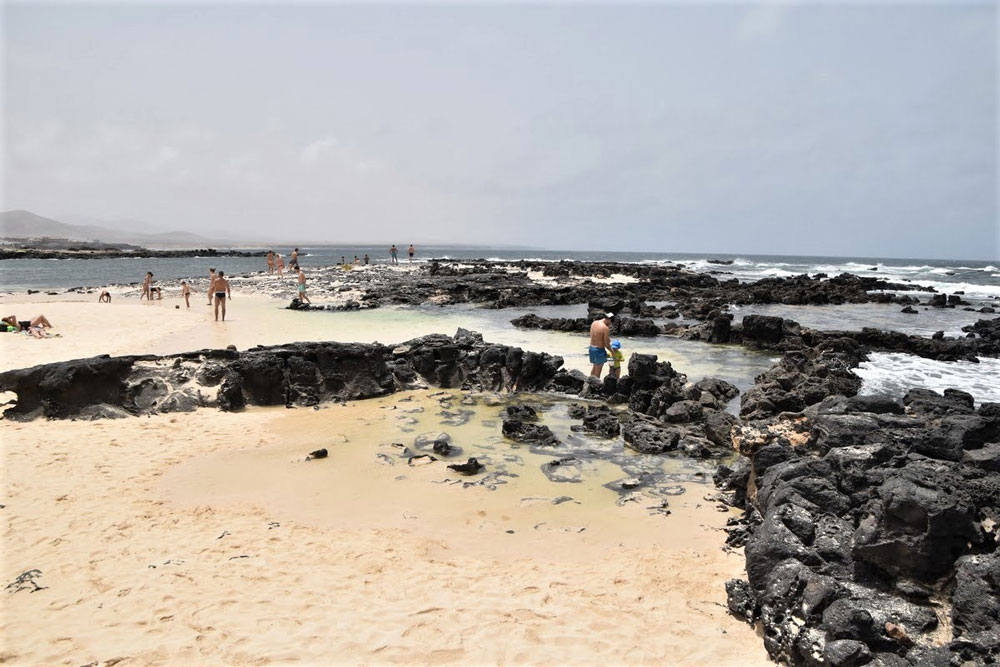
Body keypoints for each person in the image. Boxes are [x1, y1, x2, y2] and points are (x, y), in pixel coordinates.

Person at [588, 313, 615, 378]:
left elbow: (593, 335)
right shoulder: (605, 328)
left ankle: (590, 383)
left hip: (591, 348)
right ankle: (595, 386)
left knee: (594, 368)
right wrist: (612, 352)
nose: (610, 324)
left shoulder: (594, 323)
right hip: (599, 350)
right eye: (611, 322)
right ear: (609, 319)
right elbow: (606, 344)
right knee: (598, 373)